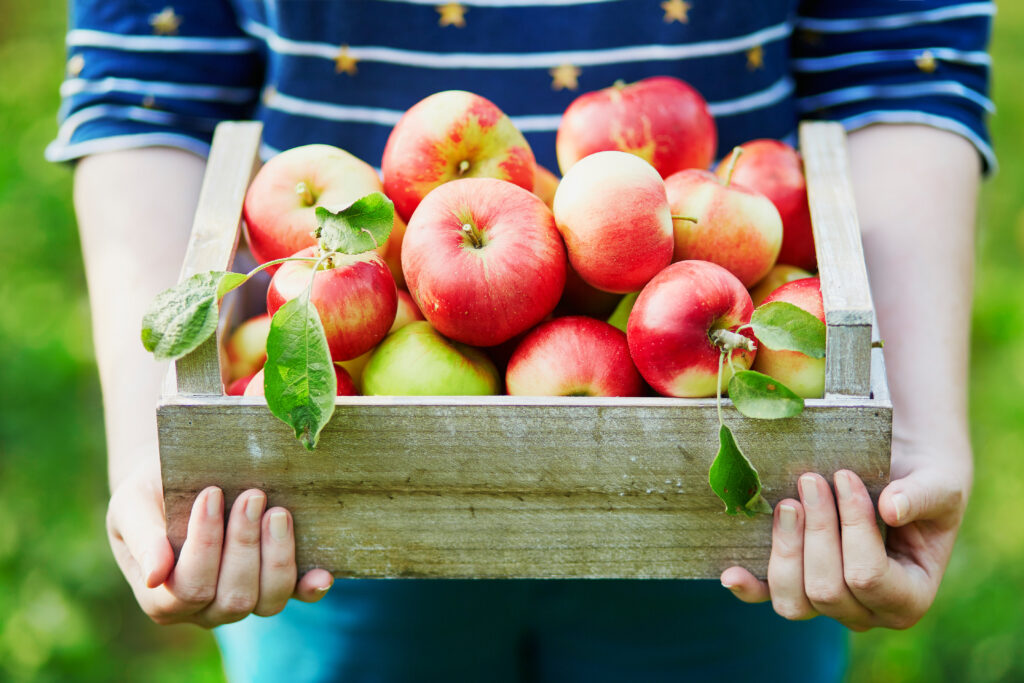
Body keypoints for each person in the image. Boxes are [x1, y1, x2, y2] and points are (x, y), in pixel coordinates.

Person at [50, 0, 992, 680]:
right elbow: (151, 85)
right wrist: (159, 447)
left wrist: (906, 424)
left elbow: (897, 51)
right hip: (326, 478)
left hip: (734, 480)